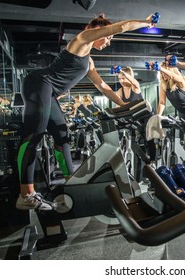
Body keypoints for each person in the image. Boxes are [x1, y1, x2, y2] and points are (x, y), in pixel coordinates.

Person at [16, 14, 157, 211]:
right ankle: (26, 194)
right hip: (39, 84)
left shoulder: (88, 61)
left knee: (62, 135)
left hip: (51, 93)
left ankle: (71, 183)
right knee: (34, 136)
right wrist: (145, 22)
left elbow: (103, 86)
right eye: (108, 37)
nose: (109, 42)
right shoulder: (82, 40)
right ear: (98, 31)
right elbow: (122, 26)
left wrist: (125, 105)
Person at [157, 61, 185, 162]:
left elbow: (174, 77)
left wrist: (161, 68)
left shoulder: (180, 81)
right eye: (161, 73)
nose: (163, 75)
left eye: (165, 72)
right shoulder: (163, 85)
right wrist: (158, 117)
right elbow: (161, 102)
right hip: (182, 112)